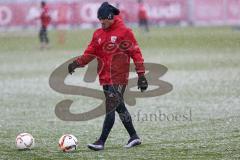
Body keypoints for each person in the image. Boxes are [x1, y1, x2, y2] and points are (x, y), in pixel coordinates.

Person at [68, 2, 148, 151]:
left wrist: (141, 75)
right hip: (104, 78)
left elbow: (136, 53)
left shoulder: (125, 32)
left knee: (111, 107)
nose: (101, 21)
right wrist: (76, 63)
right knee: (119, 108)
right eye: (99, 19)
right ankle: (134, 136)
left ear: (111, 17)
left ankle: (101, 142)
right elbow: (89, 53)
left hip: (118, 78)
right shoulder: (98, 34)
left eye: (104, 18)